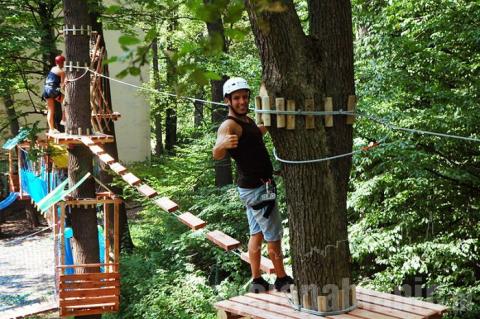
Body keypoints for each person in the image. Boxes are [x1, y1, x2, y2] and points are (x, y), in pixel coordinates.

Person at [212, 77, 294, 293]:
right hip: (258, 190)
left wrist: (266, 93)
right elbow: (217, 152)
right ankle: (282, 279)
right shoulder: (229, 124)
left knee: (256, 233)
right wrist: (222, 145)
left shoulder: (246, 123)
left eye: (245, 97)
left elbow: (259, 131)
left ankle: (257, 280)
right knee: (273, 235)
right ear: (227, 101)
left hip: (252, 188)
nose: (242, 101)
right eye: (236, 98)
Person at [42, 55, 66, 134]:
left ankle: (51, 129)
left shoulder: (53, 68)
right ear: (62, 62)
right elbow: (62, 85)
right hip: (53, 90)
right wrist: (66, 82)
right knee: (67, 102)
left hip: (46, 90)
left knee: (50, 110)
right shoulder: (62, 72)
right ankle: (64, 120)